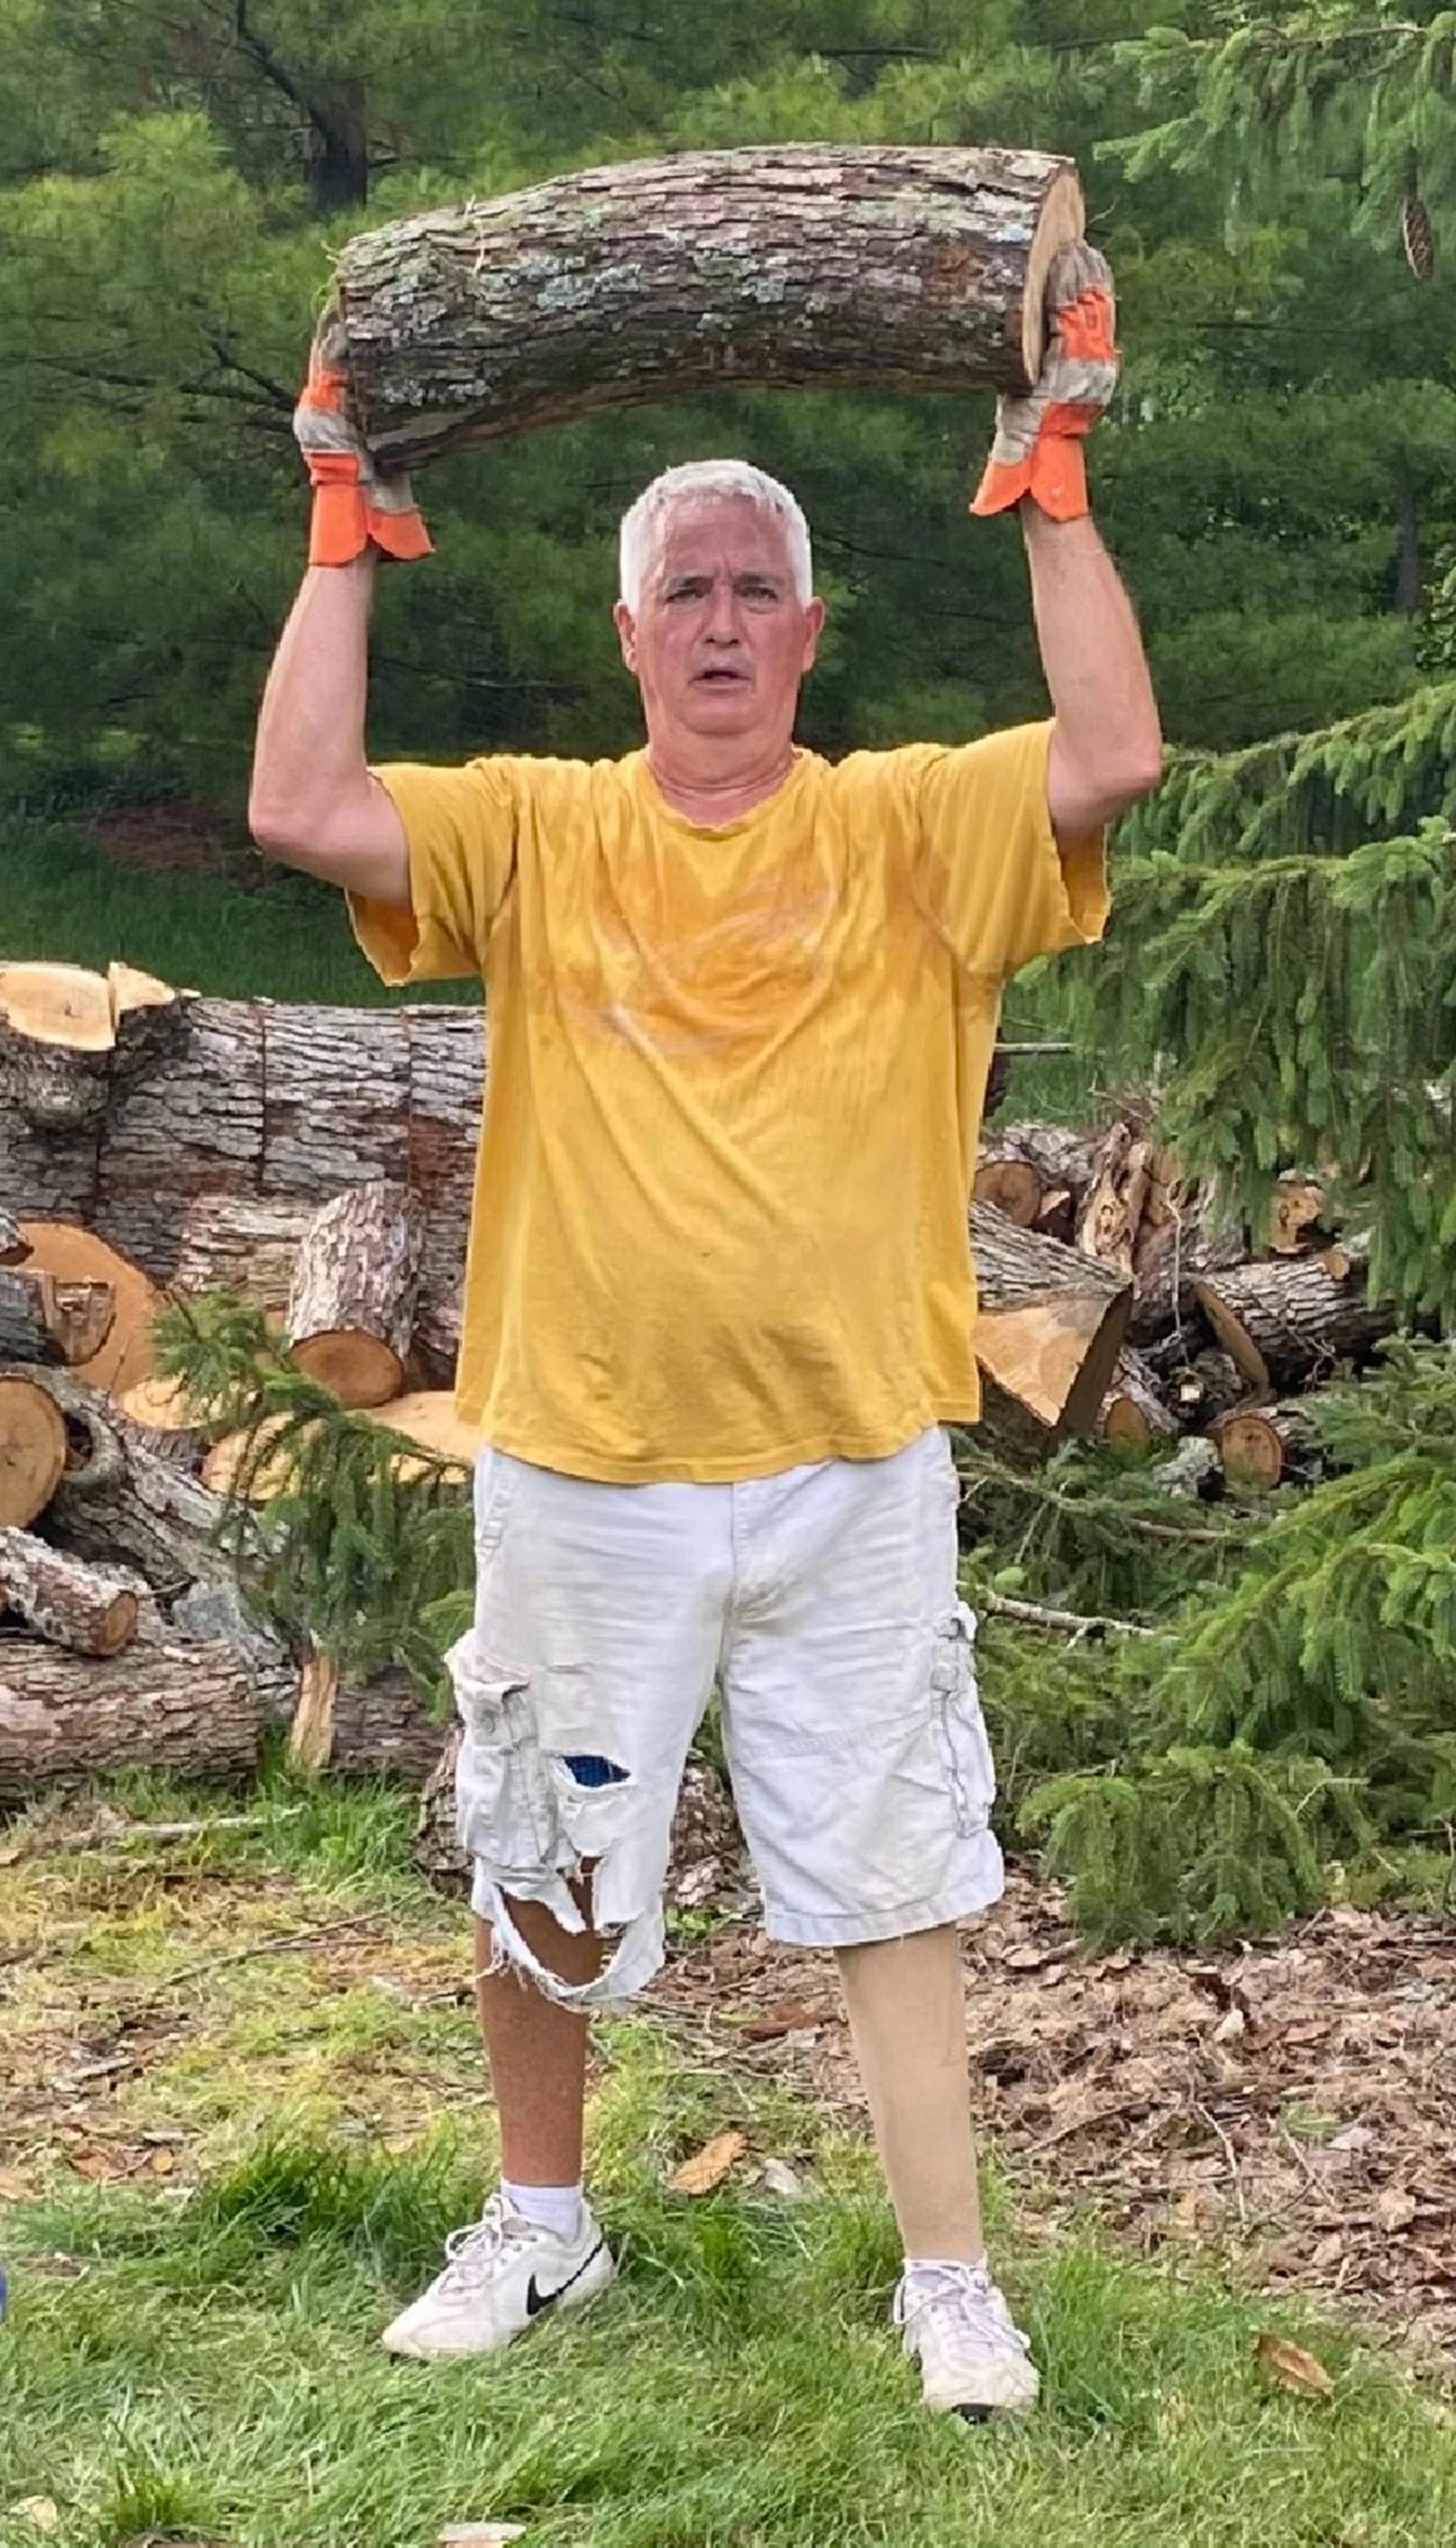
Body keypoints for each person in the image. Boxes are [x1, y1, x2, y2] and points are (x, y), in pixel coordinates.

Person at [249, 243, 1161, 2421]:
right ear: (633, 635)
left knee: (896, 1869)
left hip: (853, 1467)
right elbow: (300, 808)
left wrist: (1054, 486)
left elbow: (1112, 749)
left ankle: (949, 2276)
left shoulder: (907, 827)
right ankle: (542, 2222)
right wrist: (337, 533)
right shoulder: (545, 830)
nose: (727, 623)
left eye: (761, 589)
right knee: (537, 1850)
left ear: (812, 632)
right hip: (587, 1465)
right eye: (690, 592)